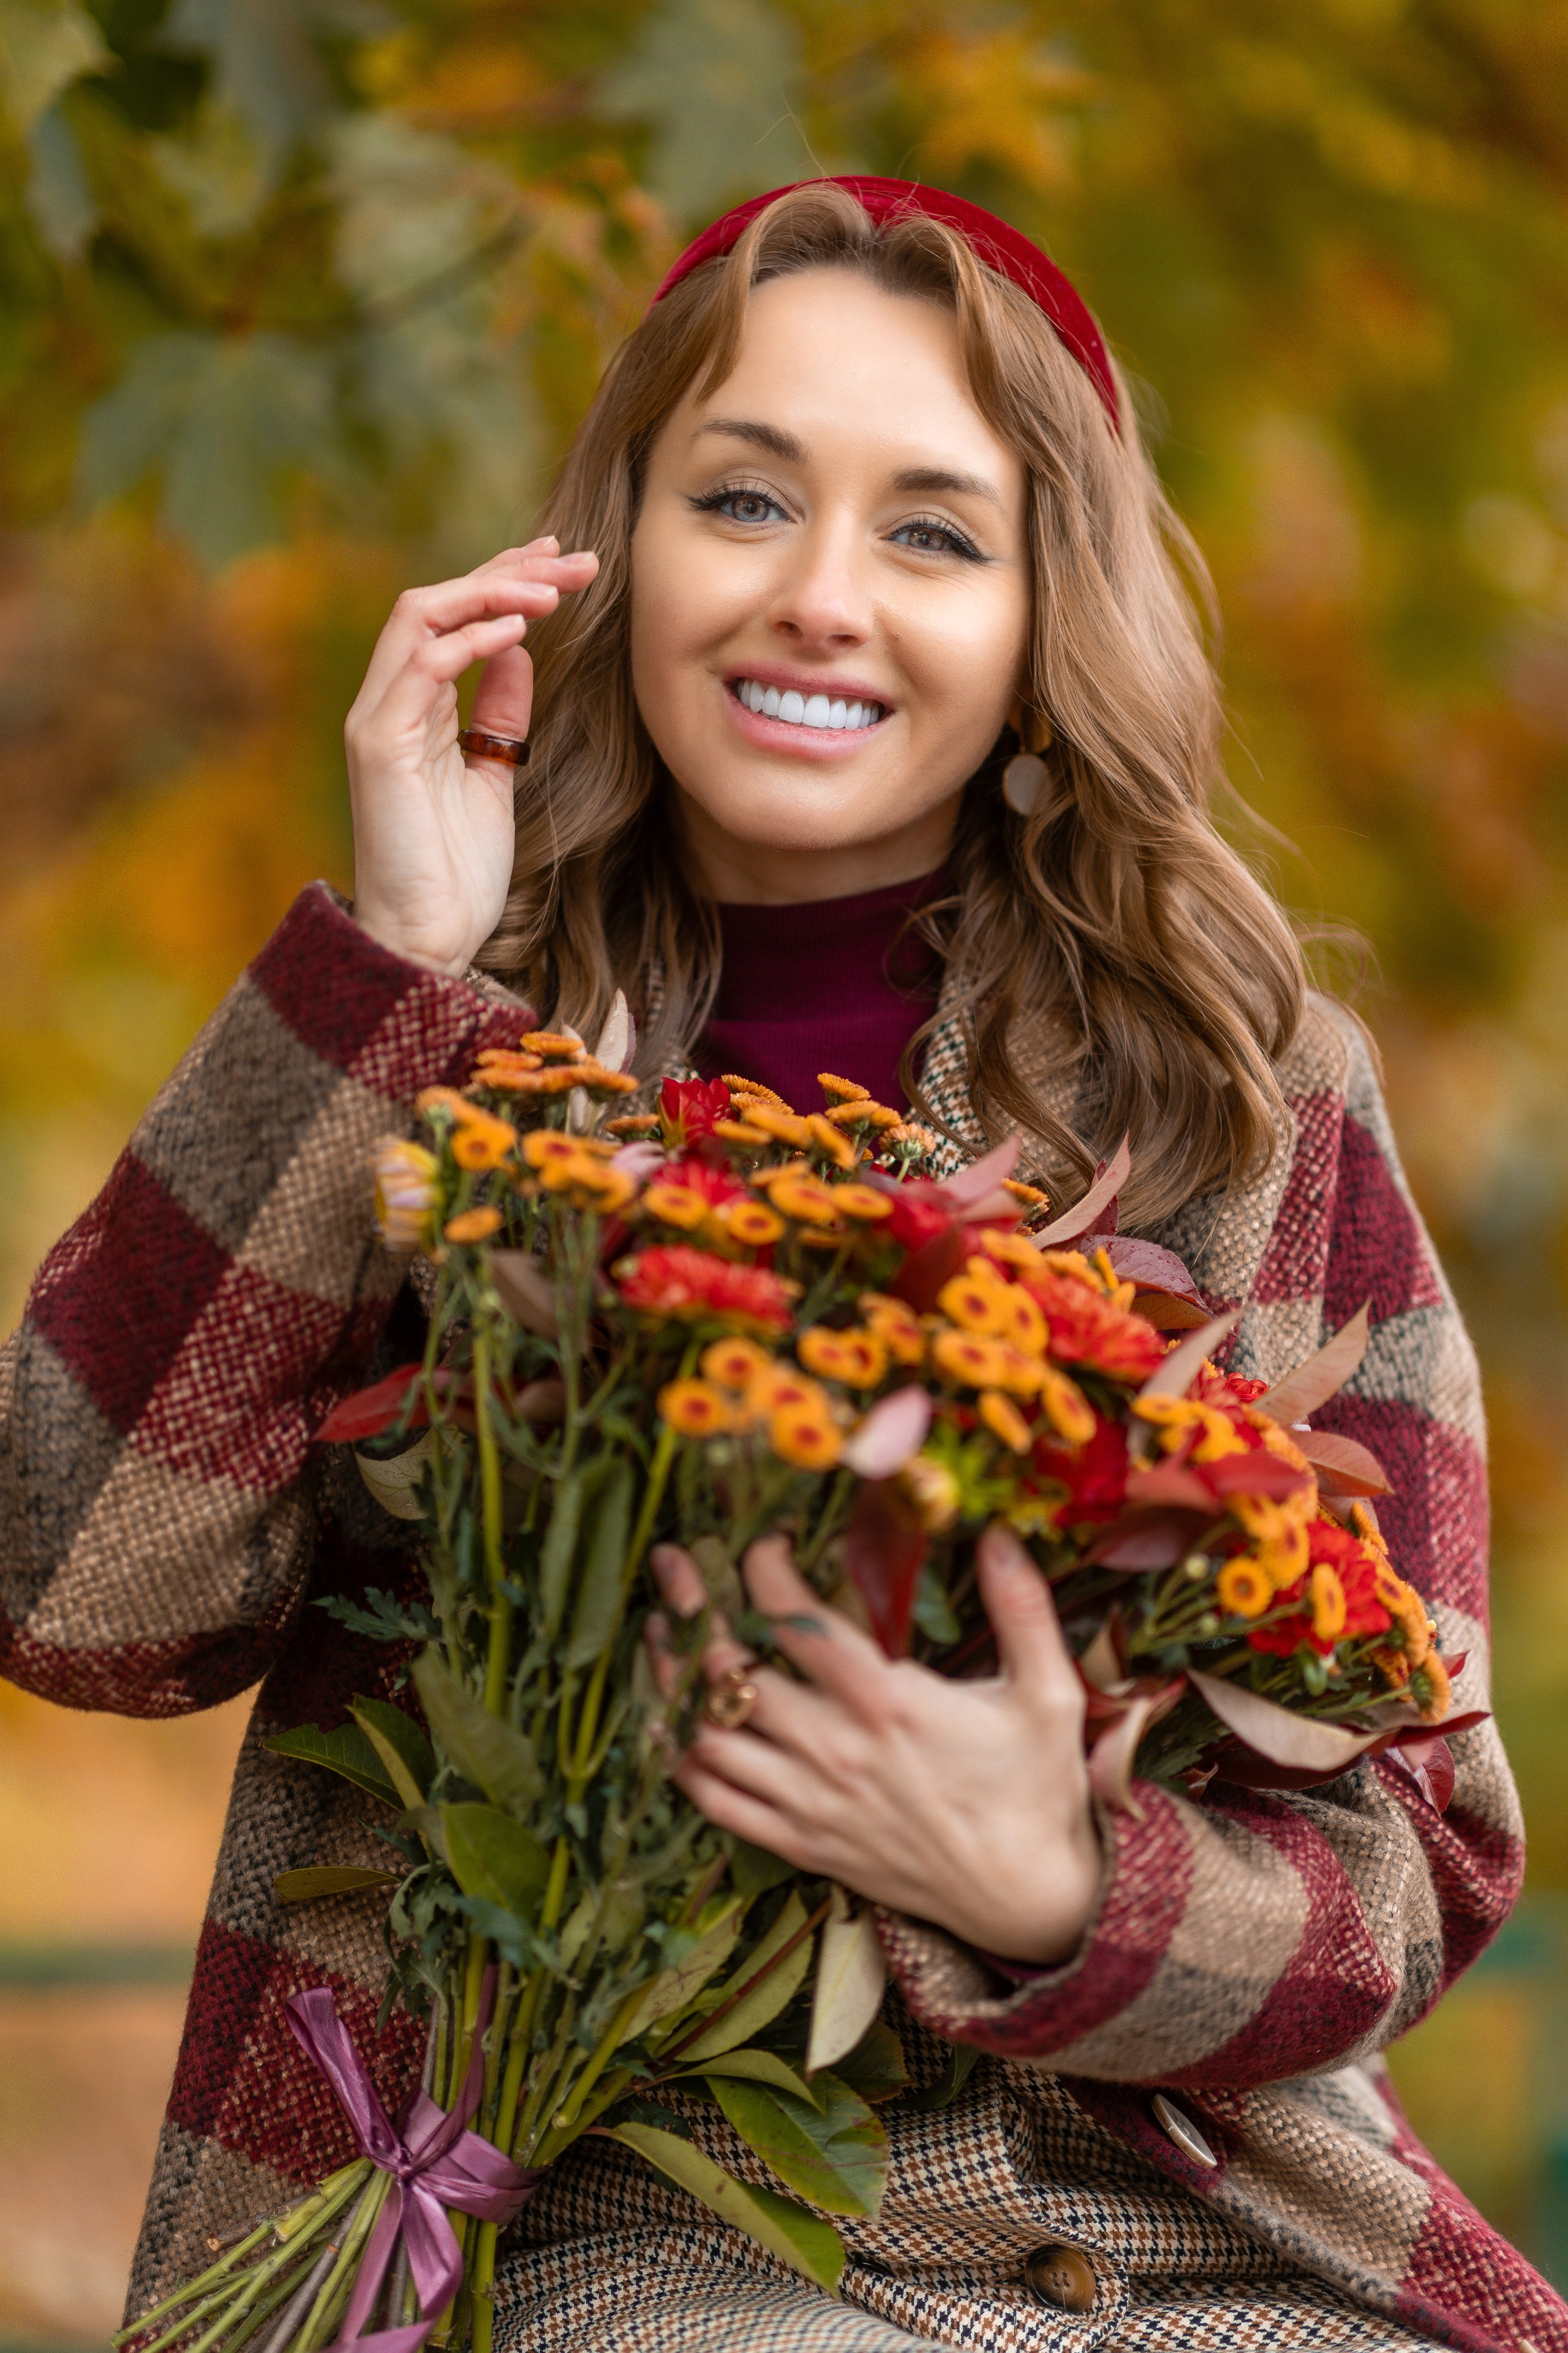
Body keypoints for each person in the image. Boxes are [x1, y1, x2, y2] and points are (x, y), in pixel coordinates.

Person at [1, 177, 1559, 2352]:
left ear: (1042, 622)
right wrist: (388, 968)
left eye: (932, 531)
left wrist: (1052, 1887)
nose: (823, 595)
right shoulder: (447, 1049)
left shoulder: (1246, 1096)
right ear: (621, 550)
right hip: (592, 2212)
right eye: (746, 497)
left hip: (1182, 2220)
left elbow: (1414, 1852)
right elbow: (79, 1595)